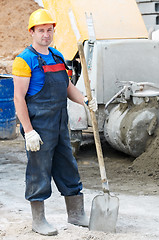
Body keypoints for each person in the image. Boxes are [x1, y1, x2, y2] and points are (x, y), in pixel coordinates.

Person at [12, 8, 97, 236]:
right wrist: (28, 131)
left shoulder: (58, 57)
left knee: (68, 165)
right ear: (32, 32)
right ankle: (38, 220)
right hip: (39, 126)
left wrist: (85, 100)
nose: (46, 35)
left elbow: (68, 88)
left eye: (49, 30)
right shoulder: (24, 60)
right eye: (41, 30)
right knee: (39, 171)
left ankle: (76, 214)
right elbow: (18, 98)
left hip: (60, 123)